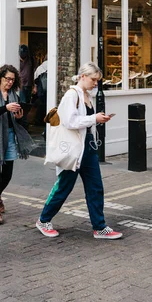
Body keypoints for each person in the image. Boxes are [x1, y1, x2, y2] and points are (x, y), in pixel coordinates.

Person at [36, 62, 123, 240]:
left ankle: (99, 227)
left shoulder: (87, 95)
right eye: (93, 79)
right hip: (74, 149)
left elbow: (83, 121)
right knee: (64, 187)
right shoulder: (71, 95)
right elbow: (69, 122)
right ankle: (43, 220)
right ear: (83, 76)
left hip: (88, 148)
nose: (95, 84)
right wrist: (94, 118)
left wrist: (98, 120)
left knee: (95, 187)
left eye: (97, 81)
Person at [0, 64, 35, 225]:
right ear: (0, 78)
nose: (10, 82)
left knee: (7, 175)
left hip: (10, 137)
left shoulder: (15, 96)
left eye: (13, 80)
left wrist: (19, 117)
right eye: (7, 79)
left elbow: (22, 122)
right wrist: (5, 108)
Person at [33, 56, 48, 124]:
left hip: (41, 89)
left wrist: (35, 87)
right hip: (49, 89)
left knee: (41, 104)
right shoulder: (53, 65)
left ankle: (39, 120)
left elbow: (35, 78)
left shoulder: (40, 67)